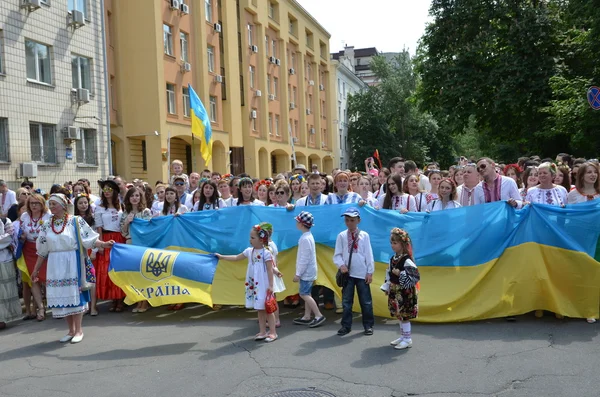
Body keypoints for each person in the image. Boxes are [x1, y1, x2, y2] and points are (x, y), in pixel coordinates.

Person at [32, 194, 114, 344]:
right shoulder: (46, 225)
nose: (51, 207)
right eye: (50, 204)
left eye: (54, 204)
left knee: (74, 295)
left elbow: (90, 239)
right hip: (55, 263)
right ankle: (70, 330)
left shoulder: (75, 221)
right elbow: (42, 249)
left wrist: (103, 244)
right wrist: (36, 269)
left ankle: (79, 330)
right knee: (62, 297)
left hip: (72, 261)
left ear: (63, 206)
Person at [215, 224, 277, 343]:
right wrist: (222, 257)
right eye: (250, 237)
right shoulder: (249, 251)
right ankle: (263, 331)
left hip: (264, 284)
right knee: (260, 309)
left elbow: (270, 269)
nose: (250, 240)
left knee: (268, 309)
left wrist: (271, 285)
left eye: (253, 238)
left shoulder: (266, 253)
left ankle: (273, 332)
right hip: (255, 284)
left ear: (261, 239)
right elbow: (236, 257)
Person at [334, 207, 375, 336]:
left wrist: (370, 271)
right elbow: (337, 255)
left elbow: (369, 254)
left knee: (366, 301)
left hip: (362, 273)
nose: (349, 223)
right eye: (347, 220)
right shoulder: (341, 236)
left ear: (358, 220)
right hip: (348, 274)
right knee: (346, 302)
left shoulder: (364, 236)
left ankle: (368, 325)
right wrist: (341, 265)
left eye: (352, 220)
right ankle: (346, 326)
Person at [382, 228, 420, 350]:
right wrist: (387, 286)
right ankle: (403, 336)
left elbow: (415, 276)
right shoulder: (393, 259)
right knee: (399, 314)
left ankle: (408, 339)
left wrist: (400, 274)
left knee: (404, 315)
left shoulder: (406, 260)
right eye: (391, 243)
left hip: (404, 292)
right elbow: (388, 273)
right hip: (395, 290)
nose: (392, 245)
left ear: (402, 244)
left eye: (395, 243)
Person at [95, 179, 126, 312]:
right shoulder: (99, 207)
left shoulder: (122, 206)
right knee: (107, 269)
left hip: (119, 238)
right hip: (107, 238)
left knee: (119, 268)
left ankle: (120, 299)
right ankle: (113, 299)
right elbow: (99, 228)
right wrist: (101, 244)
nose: (106, 192)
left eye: (109, 189)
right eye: (104, 189)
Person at [20, 192, 51, 321]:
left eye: (37, 203)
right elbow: (19, 230)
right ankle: (41, 309)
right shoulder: (24, 216)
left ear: (42, 204)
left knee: (47, 278)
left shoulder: (48, 215)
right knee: (34, 279)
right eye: (31, 203)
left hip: (45, 250)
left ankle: (54, 305)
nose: (34, 205)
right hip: (29, 250)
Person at [120, 188, 152, 313]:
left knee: (143, 273)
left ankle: (145, 302)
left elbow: (149, 228)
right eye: (132, 196)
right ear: (128, 198)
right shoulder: (125, 213)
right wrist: (127, 222)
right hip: (130, 243)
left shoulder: (145, 211)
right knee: (135, 275)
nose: (135, 198)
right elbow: (123, 232)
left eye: (137, 195)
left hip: (142, 245)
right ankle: (138, 301)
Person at [292, 211, 326, 328]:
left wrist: (298, 273)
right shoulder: (307, 237)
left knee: (304, 294)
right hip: (308, 272)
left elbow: (304, 259)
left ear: (301, 224)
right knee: (307, 293)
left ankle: (318, 315)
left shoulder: (305, 239)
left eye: (297, 221)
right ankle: (307, 316)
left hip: (306, 272)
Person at [74, 193, 99, 316]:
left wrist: (94, 251)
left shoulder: (93, 218)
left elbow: (95, 236)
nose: (83, 205)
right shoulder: (72, 219)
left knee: (92, 278)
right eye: (80, 203)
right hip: (77, 252)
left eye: (85, 202)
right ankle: (83, 305)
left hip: (90, 251)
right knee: (80, 279)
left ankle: (93, 306)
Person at [0, 217, 20, 329]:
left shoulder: (5, 220)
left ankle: (4, 318)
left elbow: (9, 237)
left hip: (4, 259)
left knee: (5, 291)